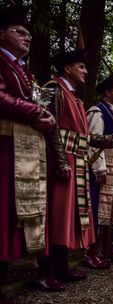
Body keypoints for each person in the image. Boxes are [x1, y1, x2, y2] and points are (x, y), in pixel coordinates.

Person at [40, 50, 113, 287]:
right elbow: (48, 128)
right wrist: (58, 161)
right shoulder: (54, 89)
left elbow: (88, 138)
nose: (86, 71)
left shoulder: (76, 97)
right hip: (62, 159)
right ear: (67, 68)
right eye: (81, 67)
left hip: (76, 160)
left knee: (70, 216)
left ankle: (62, 266)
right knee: (56, 214)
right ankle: (46, 270)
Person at [0, 6, 57, 294]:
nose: (27, 38)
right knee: (6, 209)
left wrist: (46, 119)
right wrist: (35, 111)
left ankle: (36, 268)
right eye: (19, 32)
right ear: (1, 33)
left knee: (27, 210)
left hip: (27, 148)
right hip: (6, 147)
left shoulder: (24, 70)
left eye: (29, 34)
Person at [86, 72, 113, 262]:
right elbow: (92, 141)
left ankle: (109, 246)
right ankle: (92, 250)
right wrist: (99, 167)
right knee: (99, 209)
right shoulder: (98, 111)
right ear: (107, 92)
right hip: (103, 167)